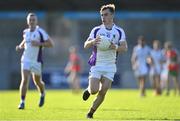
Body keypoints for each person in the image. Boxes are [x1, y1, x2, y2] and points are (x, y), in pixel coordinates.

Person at [82, 4, 128, 119]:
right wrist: (92, 42)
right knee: (94, 90)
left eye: (106, 14)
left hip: (110, 66)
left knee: (103, 92)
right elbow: (85, 45)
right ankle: (88, 89)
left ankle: (90, 113)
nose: (103, 17)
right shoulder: (96, 30)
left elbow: (125, 48)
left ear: (112, 15)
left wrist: (115, 47)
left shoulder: (119, 31)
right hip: (97, 64)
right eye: (102, 15)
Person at [16, 13, 54, 109]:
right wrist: (20, 46)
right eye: (30, 20)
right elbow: (25, 40)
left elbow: (51, 44)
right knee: (24, 80)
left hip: (37, 61)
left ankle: (42, 93)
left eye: (33, 20)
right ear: (27, 21)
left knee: (37, 82)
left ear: (36, 21)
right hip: (26, 59)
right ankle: (22, 102)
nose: (32, 21)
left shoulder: (40, 32)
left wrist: (39, 43)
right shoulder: (25, 32)